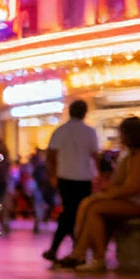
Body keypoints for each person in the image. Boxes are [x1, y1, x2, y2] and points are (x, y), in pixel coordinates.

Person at [55, 116, 140, 273]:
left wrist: (107, 195)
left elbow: (134, 187)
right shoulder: (136, 154)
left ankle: (96, 257)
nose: (119, 137)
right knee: (93, 207)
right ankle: (80, 253)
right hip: (139, 200)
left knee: (94, 208)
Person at [43, 99, 99, 262]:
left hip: (65, 177)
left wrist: (53, 175)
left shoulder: (60, 131)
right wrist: (98, 175)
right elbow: (95, 155)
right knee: (76, 213)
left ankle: (63, 248)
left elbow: (51, 155)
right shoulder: (89, 132)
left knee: (69, 212)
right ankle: (76, 248)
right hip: (84, 178)